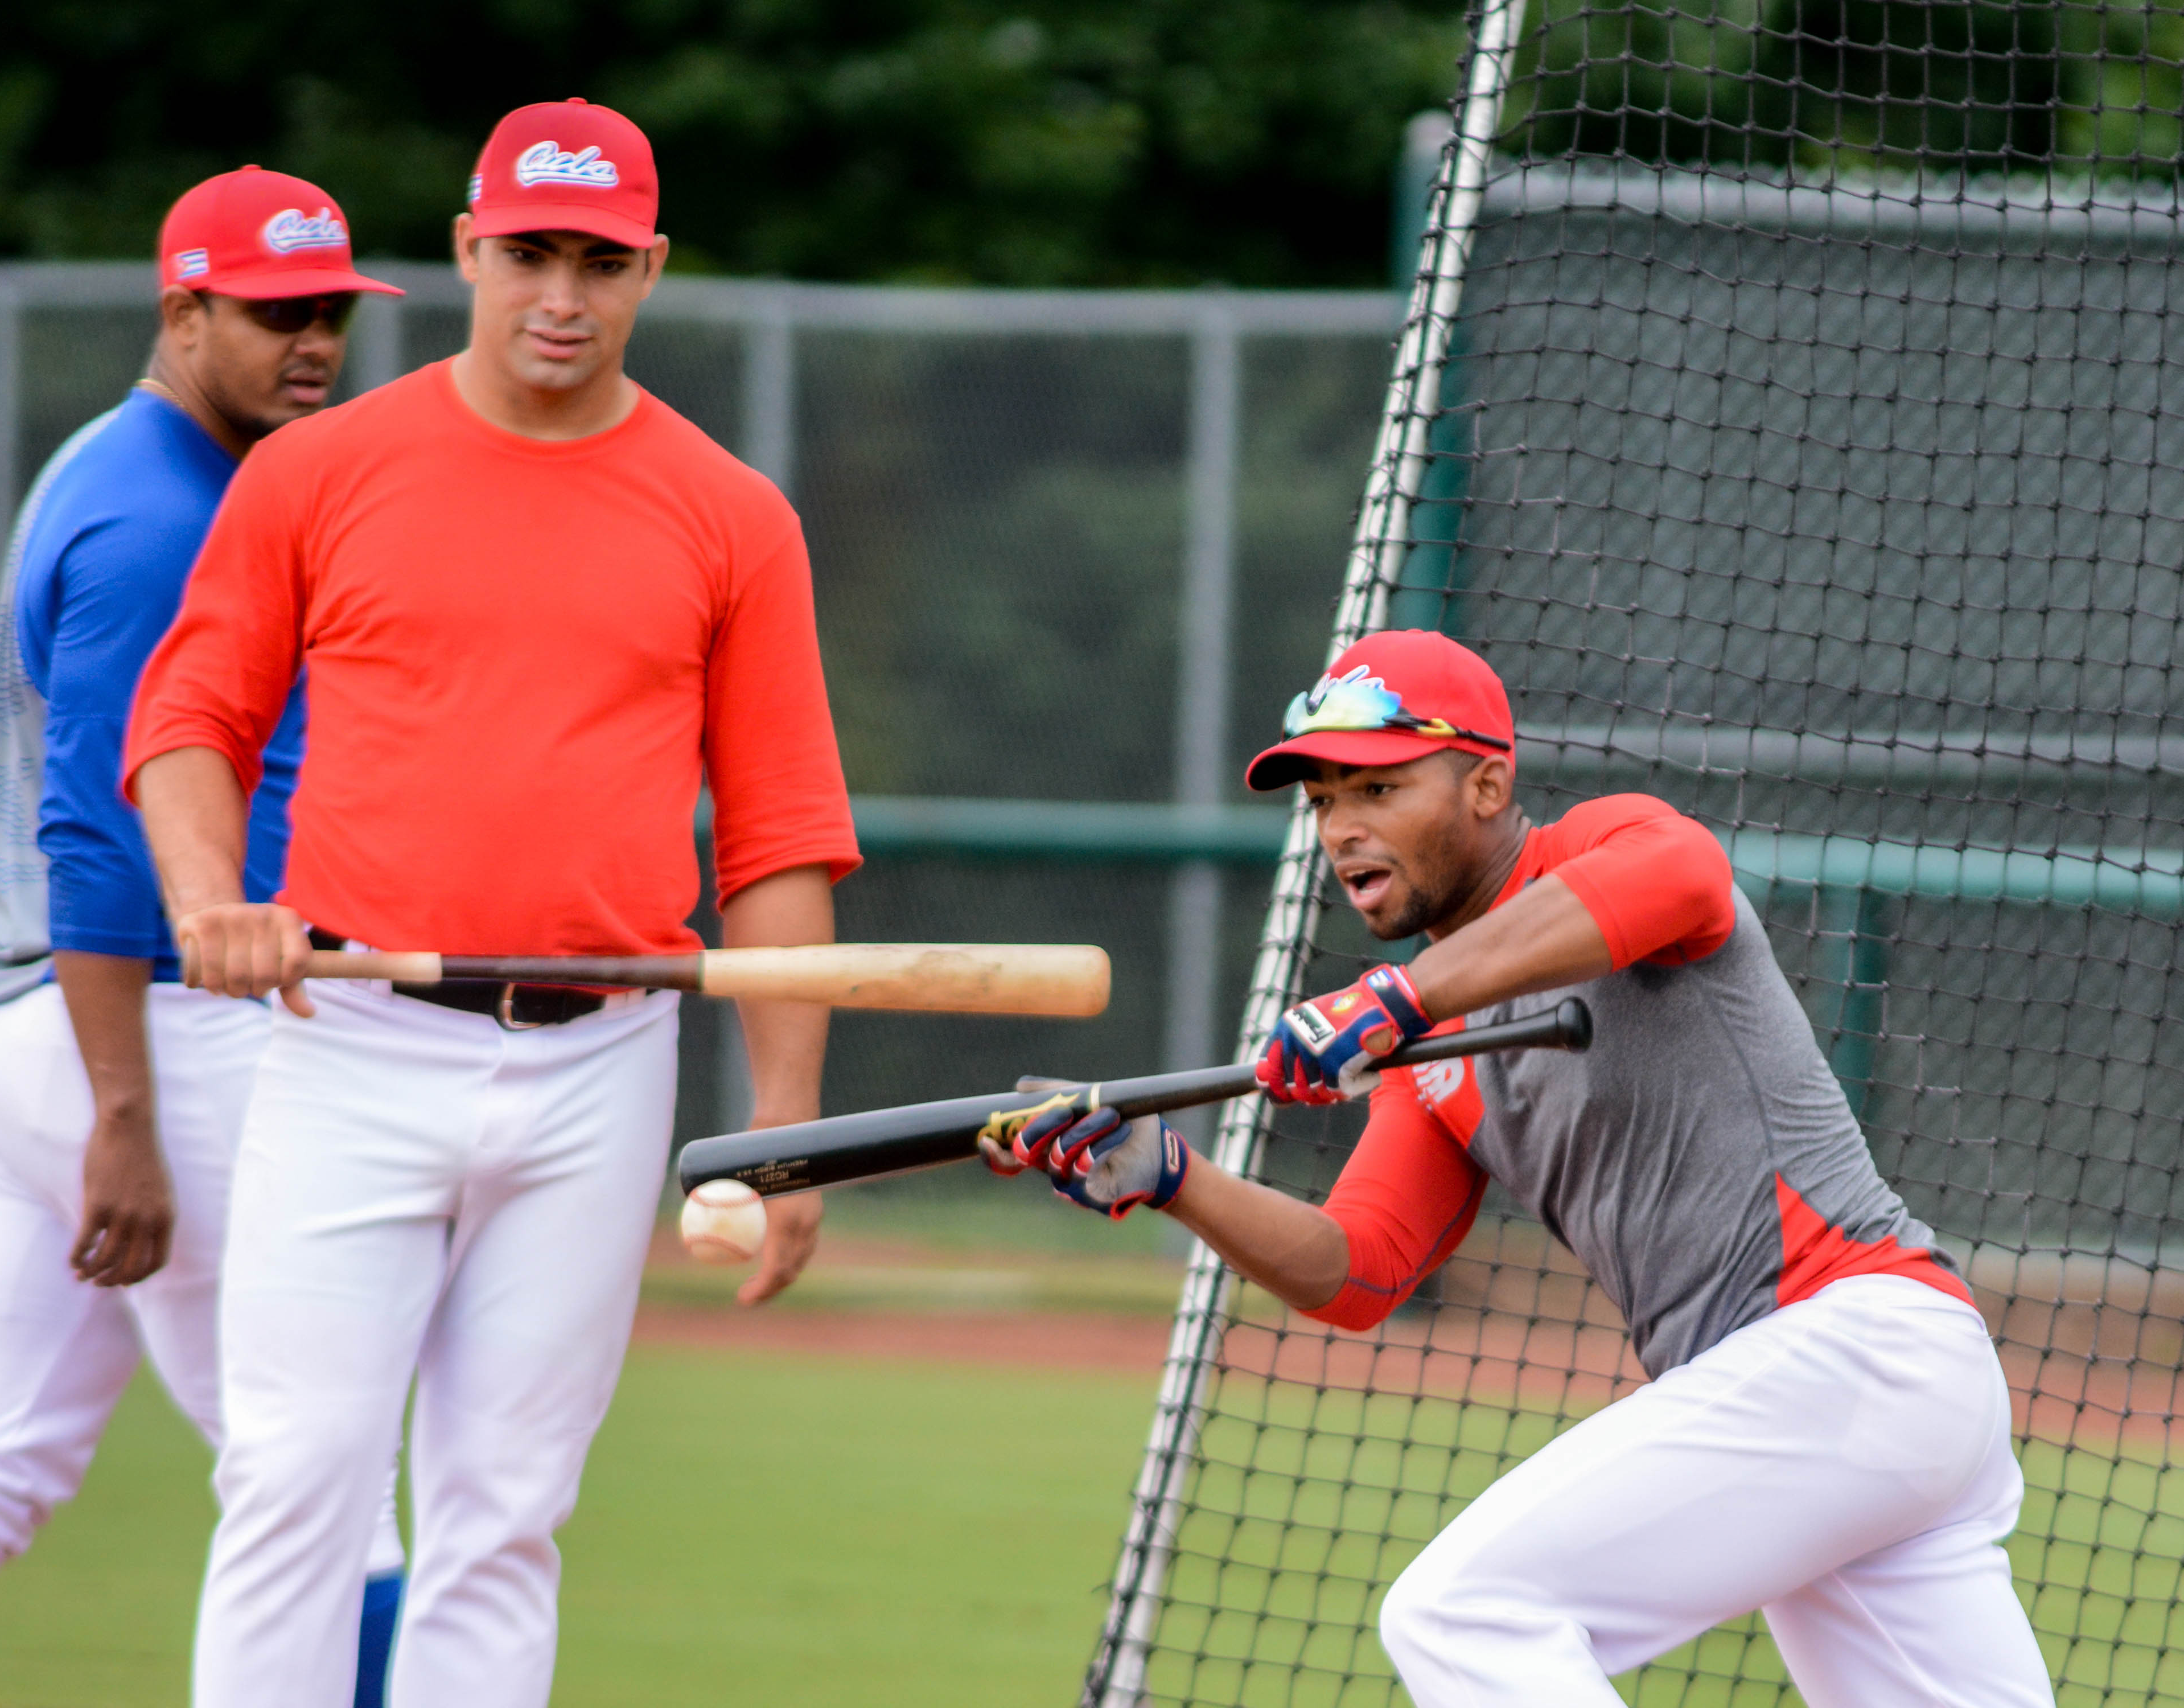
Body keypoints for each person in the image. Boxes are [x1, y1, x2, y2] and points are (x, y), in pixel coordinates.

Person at [123, 99, 858, 1708]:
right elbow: (188, 723)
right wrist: (208, 900)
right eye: (530, 253)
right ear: (468, 250)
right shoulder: (320, 471)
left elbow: (781, 839)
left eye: (601, 261)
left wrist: (787, 1130)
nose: (562, 296)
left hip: (605, 1058)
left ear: (652, 269)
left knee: (508, 1518)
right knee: (294, 1484)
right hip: (350, 1044)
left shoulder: (733, 512)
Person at [993, 629, 2056, 1706]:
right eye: (1321, 801)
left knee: (1463, 1613)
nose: (1342, 827)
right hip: (1861, 1403)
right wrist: (1172, 1176)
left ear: (1488, 785)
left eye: (1378, 788)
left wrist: (1392, 999)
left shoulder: (1593, 849)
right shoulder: (1420, 1054)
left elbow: (1684, 871)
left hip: (1851, 1348)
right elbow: (1361, 1268)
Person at [0, 168, 408, 1701]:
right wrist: (127, 1117)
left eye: (330, 310)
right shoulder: (159, 515)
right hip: (154, 1029)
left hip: (36, 1031)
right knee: (321, 1483)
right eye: (276, 313)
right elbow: (98, 826)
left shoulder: (138, 465)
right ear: (183, 311)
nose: (314, 341)